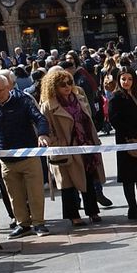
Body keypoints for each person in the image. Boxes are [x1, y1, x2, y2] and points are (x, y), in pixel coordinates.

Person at [0, 68, 51, 235]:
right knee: (14, 195)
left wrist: (43, 134)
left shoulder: (23, 100)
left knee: (35, 193)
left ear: (8, 87)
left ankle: (39, 223)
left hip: (28, 155)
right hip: (6, 159)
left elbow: (39, 118)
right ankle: (22, 223)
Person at [39, 66, 103, 227]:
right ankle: (73, 215)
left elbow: (88, 119)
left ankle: (93, 211)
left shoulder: (79, 97)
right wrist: (56, 142)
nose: (67, 87)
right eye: (62, 84)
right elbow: (45, 127)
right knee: (68, 184)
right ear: (54, 86)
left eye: (69, 82)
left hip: (85, 144)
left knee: (88, 179)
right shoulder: (48, 105)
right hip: (65, 148)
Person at [105, 68, 137, 219]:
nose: (126, 82)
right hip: (126, 142)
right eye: (123, 79)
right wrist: (134, 134)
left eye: (130, 79)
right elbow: (116, 121)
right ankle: (133, 209)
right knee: (129, 177)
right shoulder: (116, 98)